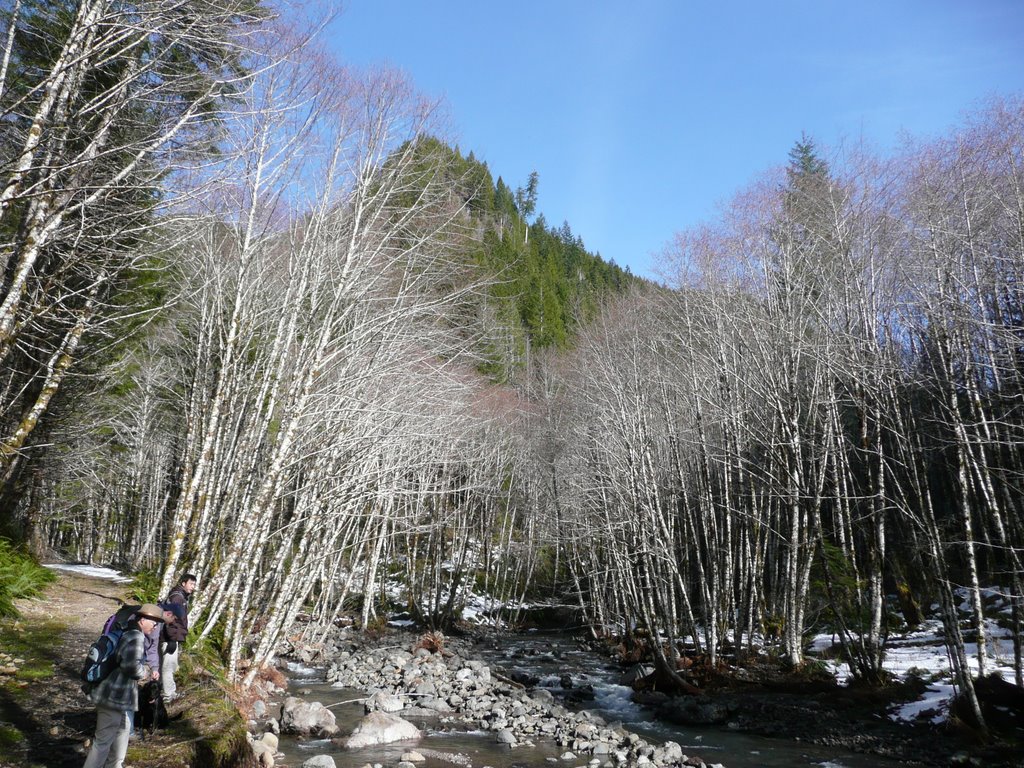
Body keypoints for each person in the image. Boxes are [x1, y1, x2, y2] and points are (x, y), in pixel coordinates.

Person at [82, 603, 164, 768]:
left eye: (157, 622)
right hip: (112, 696)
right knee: (103, 742)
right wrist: (146, 672)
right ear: (142, 619)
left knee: (122, 734)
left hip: (119, 697)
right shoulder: (136, 637)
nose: (155, 625)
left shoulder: (129, 632)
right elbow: (131, 666)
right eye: (153, 621)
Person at [161, 573, 196, 701]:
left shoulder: (180, 597)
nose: (193, 587)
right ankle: (168, 695)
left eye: (194, 584)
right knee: (168, 666)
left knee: (170, 666)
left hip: (171, 637)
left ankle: (168, 691)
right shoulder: (177, 598)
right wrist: (171, 639)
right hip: (169, 638)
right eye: (191, 584)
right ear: (183, 583)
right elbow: (171, 620)